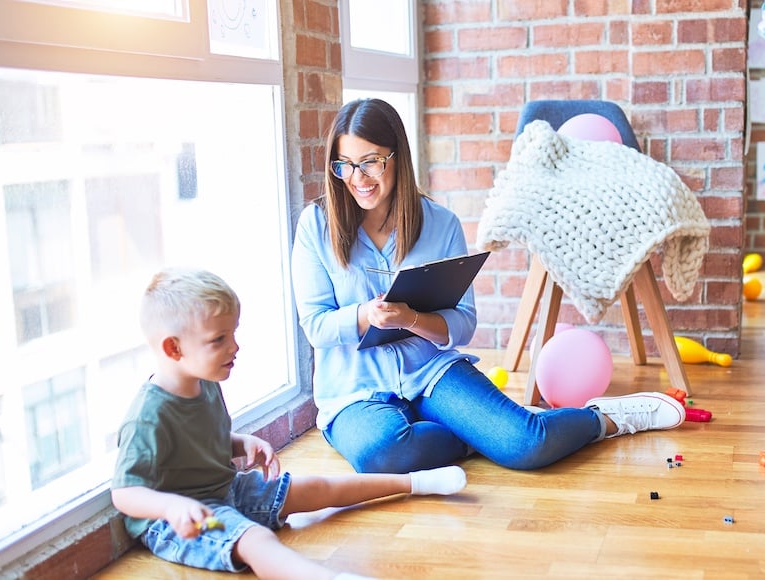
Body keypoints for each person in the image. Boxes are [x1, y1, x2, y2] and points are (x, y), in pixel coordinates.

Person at [290, 97, 686, 475]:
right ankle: (479, 436)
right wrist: (365, 315)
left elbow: (463, 324)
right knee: (380, 453)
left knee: (526, 444)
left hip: (430, 373)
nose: (358, 179)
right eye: (345, 165)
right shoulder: (316, 225)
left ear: (397, 157)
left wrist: (411, 318)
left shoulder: (440, 224)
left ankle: (607, 418)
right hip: (355, 392)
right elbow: (316, 326)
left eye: (371, 163)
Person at [111, 268, 467, 580]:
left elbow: (197, 439)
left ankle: (415, 483)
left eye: (233, 333)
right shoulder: (149, 413)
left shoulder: (204, 380)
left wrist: (240, 442)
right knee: (255, 540)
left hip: (225, 488)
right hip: (185, 520)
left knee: (315, 488)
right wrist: (171, 508)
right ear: (174, 349)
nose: (235, 346)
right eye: (218, 340)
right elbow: (125, 493)